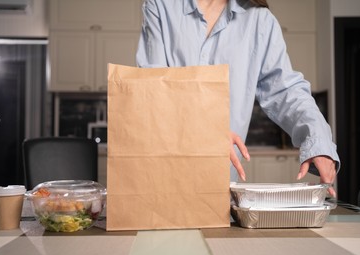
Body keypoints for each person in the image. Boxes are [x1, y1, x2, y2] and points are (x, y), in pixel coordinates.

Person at [136, 0, 340, 196]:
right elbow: (154, 88)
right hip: (160, 173)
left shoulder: (260, 20)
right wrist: (208, 132)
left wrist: (318, 141)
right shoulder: (160, 6)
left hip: (218, 182)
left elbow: (286, 91)